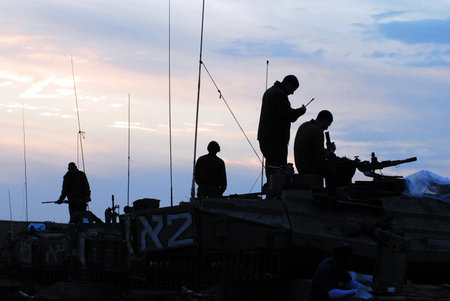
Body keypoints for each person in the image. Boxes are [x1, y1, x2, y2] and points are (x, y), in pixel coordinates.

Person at [257, 75, 306, 181]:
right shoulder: (279, 95)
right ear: (288, 84)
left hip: (267, 137)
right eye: (293, 89)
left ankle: (271, 189)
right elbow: (289, 115)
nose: (292, 93)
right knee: (277, 169)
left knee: (272, 166)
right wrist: (301, 111)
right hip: (275, 139)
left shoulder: (270, 92)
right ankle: (275, 192)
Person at [294, 110, 355, 190]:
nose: (326, 128)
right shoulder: (317, 131)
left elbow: (313, 150)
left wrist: (327, 151)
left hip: (302, 165)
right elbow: (320, 155)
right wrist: (330, 151)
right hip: (309, 167)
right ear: (325, 120)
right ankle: (335, 193)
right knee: (344, 166)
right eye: (328, 125)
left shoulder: (304, 125)